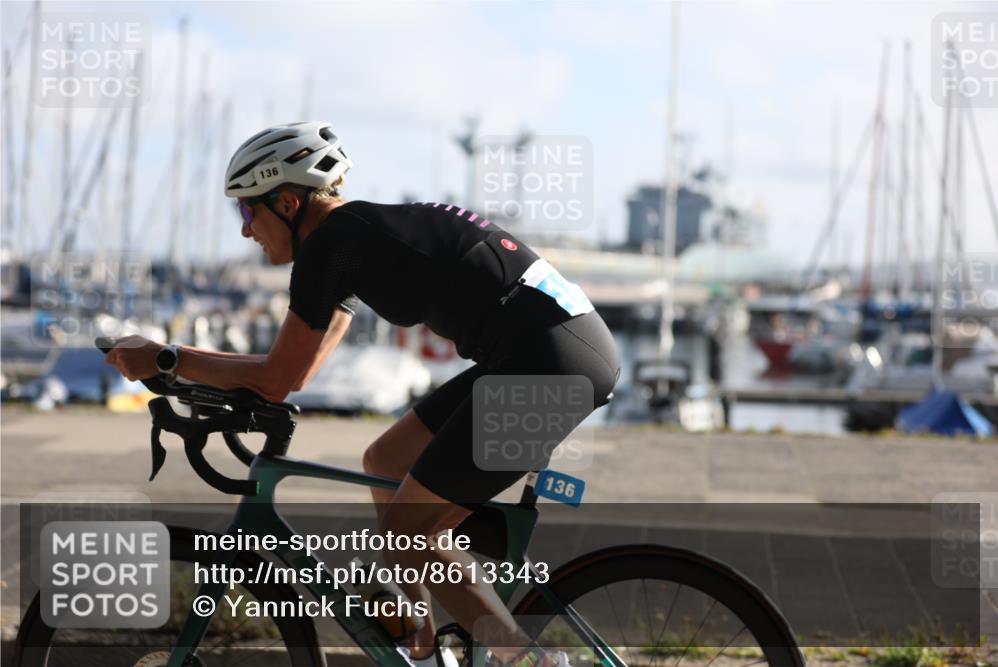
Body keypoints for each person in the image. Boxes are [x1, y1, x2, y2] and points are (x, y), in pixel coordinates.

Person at [105, 121, 620, 667]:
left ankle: (529, 662)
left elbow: (277, 378)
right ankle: (423, 648)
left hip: (548, 364)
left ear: (286, 202)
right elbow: (299, 372)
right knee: (386, 461)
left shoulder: (334, 243)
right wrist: (185, 367)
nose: (246, 231)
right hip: (545, 352)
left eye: (247, 212)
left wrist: (167, 358)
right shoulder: (352, 238)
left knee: (407, 533)